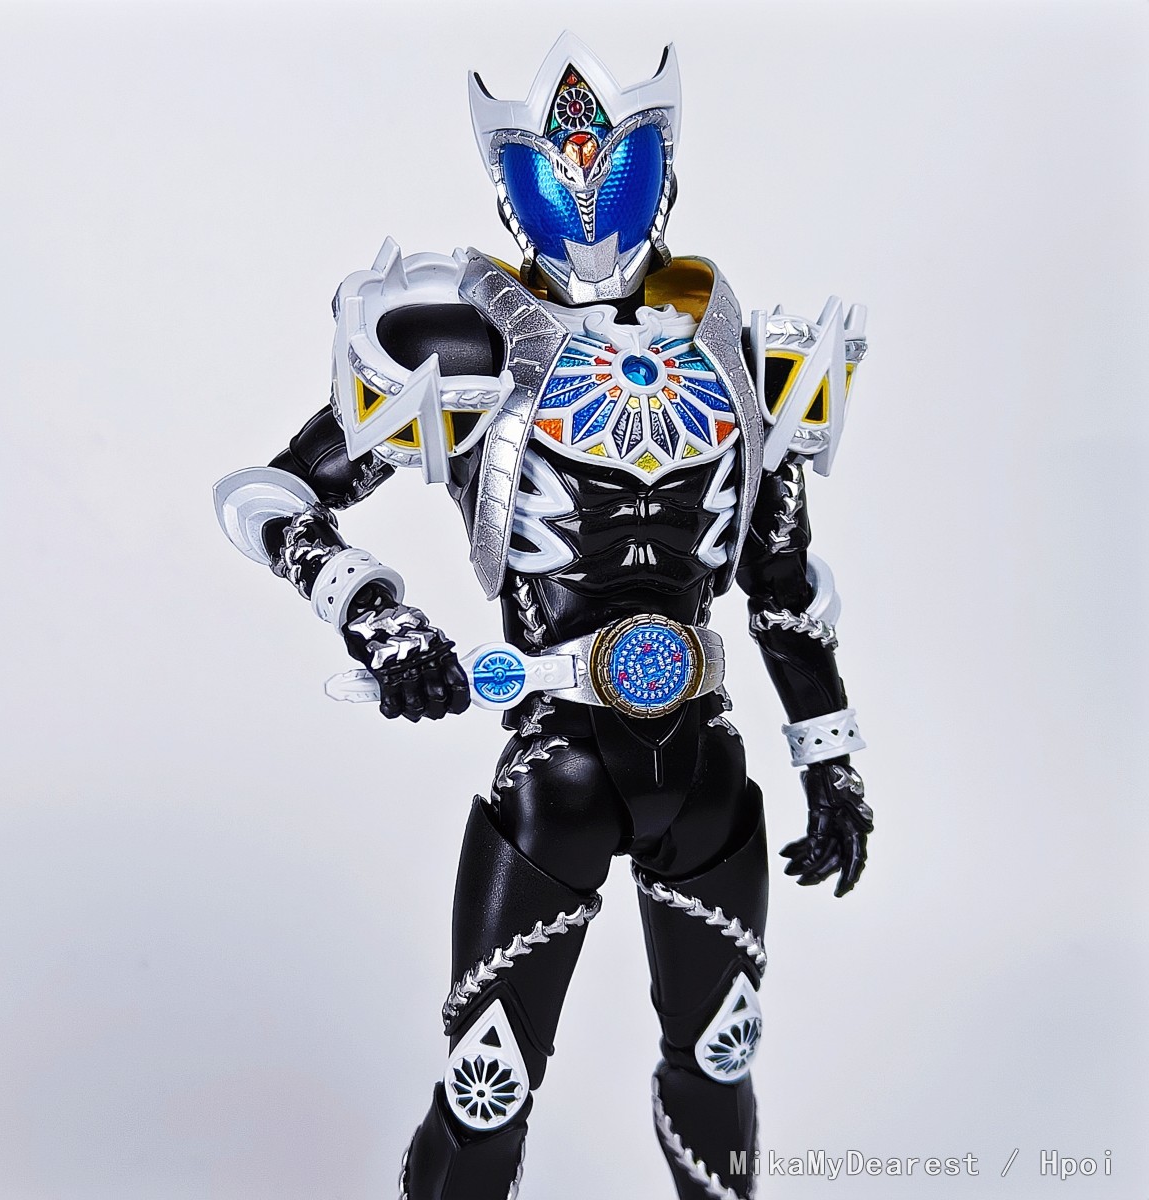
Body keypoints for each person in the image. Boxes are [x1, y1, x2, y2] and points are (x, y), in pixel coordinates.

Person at [214, 32, 872, 1200]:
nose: (584, 185)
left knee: (718, 1070)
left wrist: (831, 759)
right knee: (489, 1091)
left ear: (662, 168)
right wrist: (378, 619)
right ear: (507, 180)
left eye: (617, 163)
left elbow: (780, 582)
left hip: (705, 768)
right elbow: (270, 496)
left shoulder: (739, 350)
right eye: (551, 166)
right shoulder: (462, 344)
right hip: (555, 764)